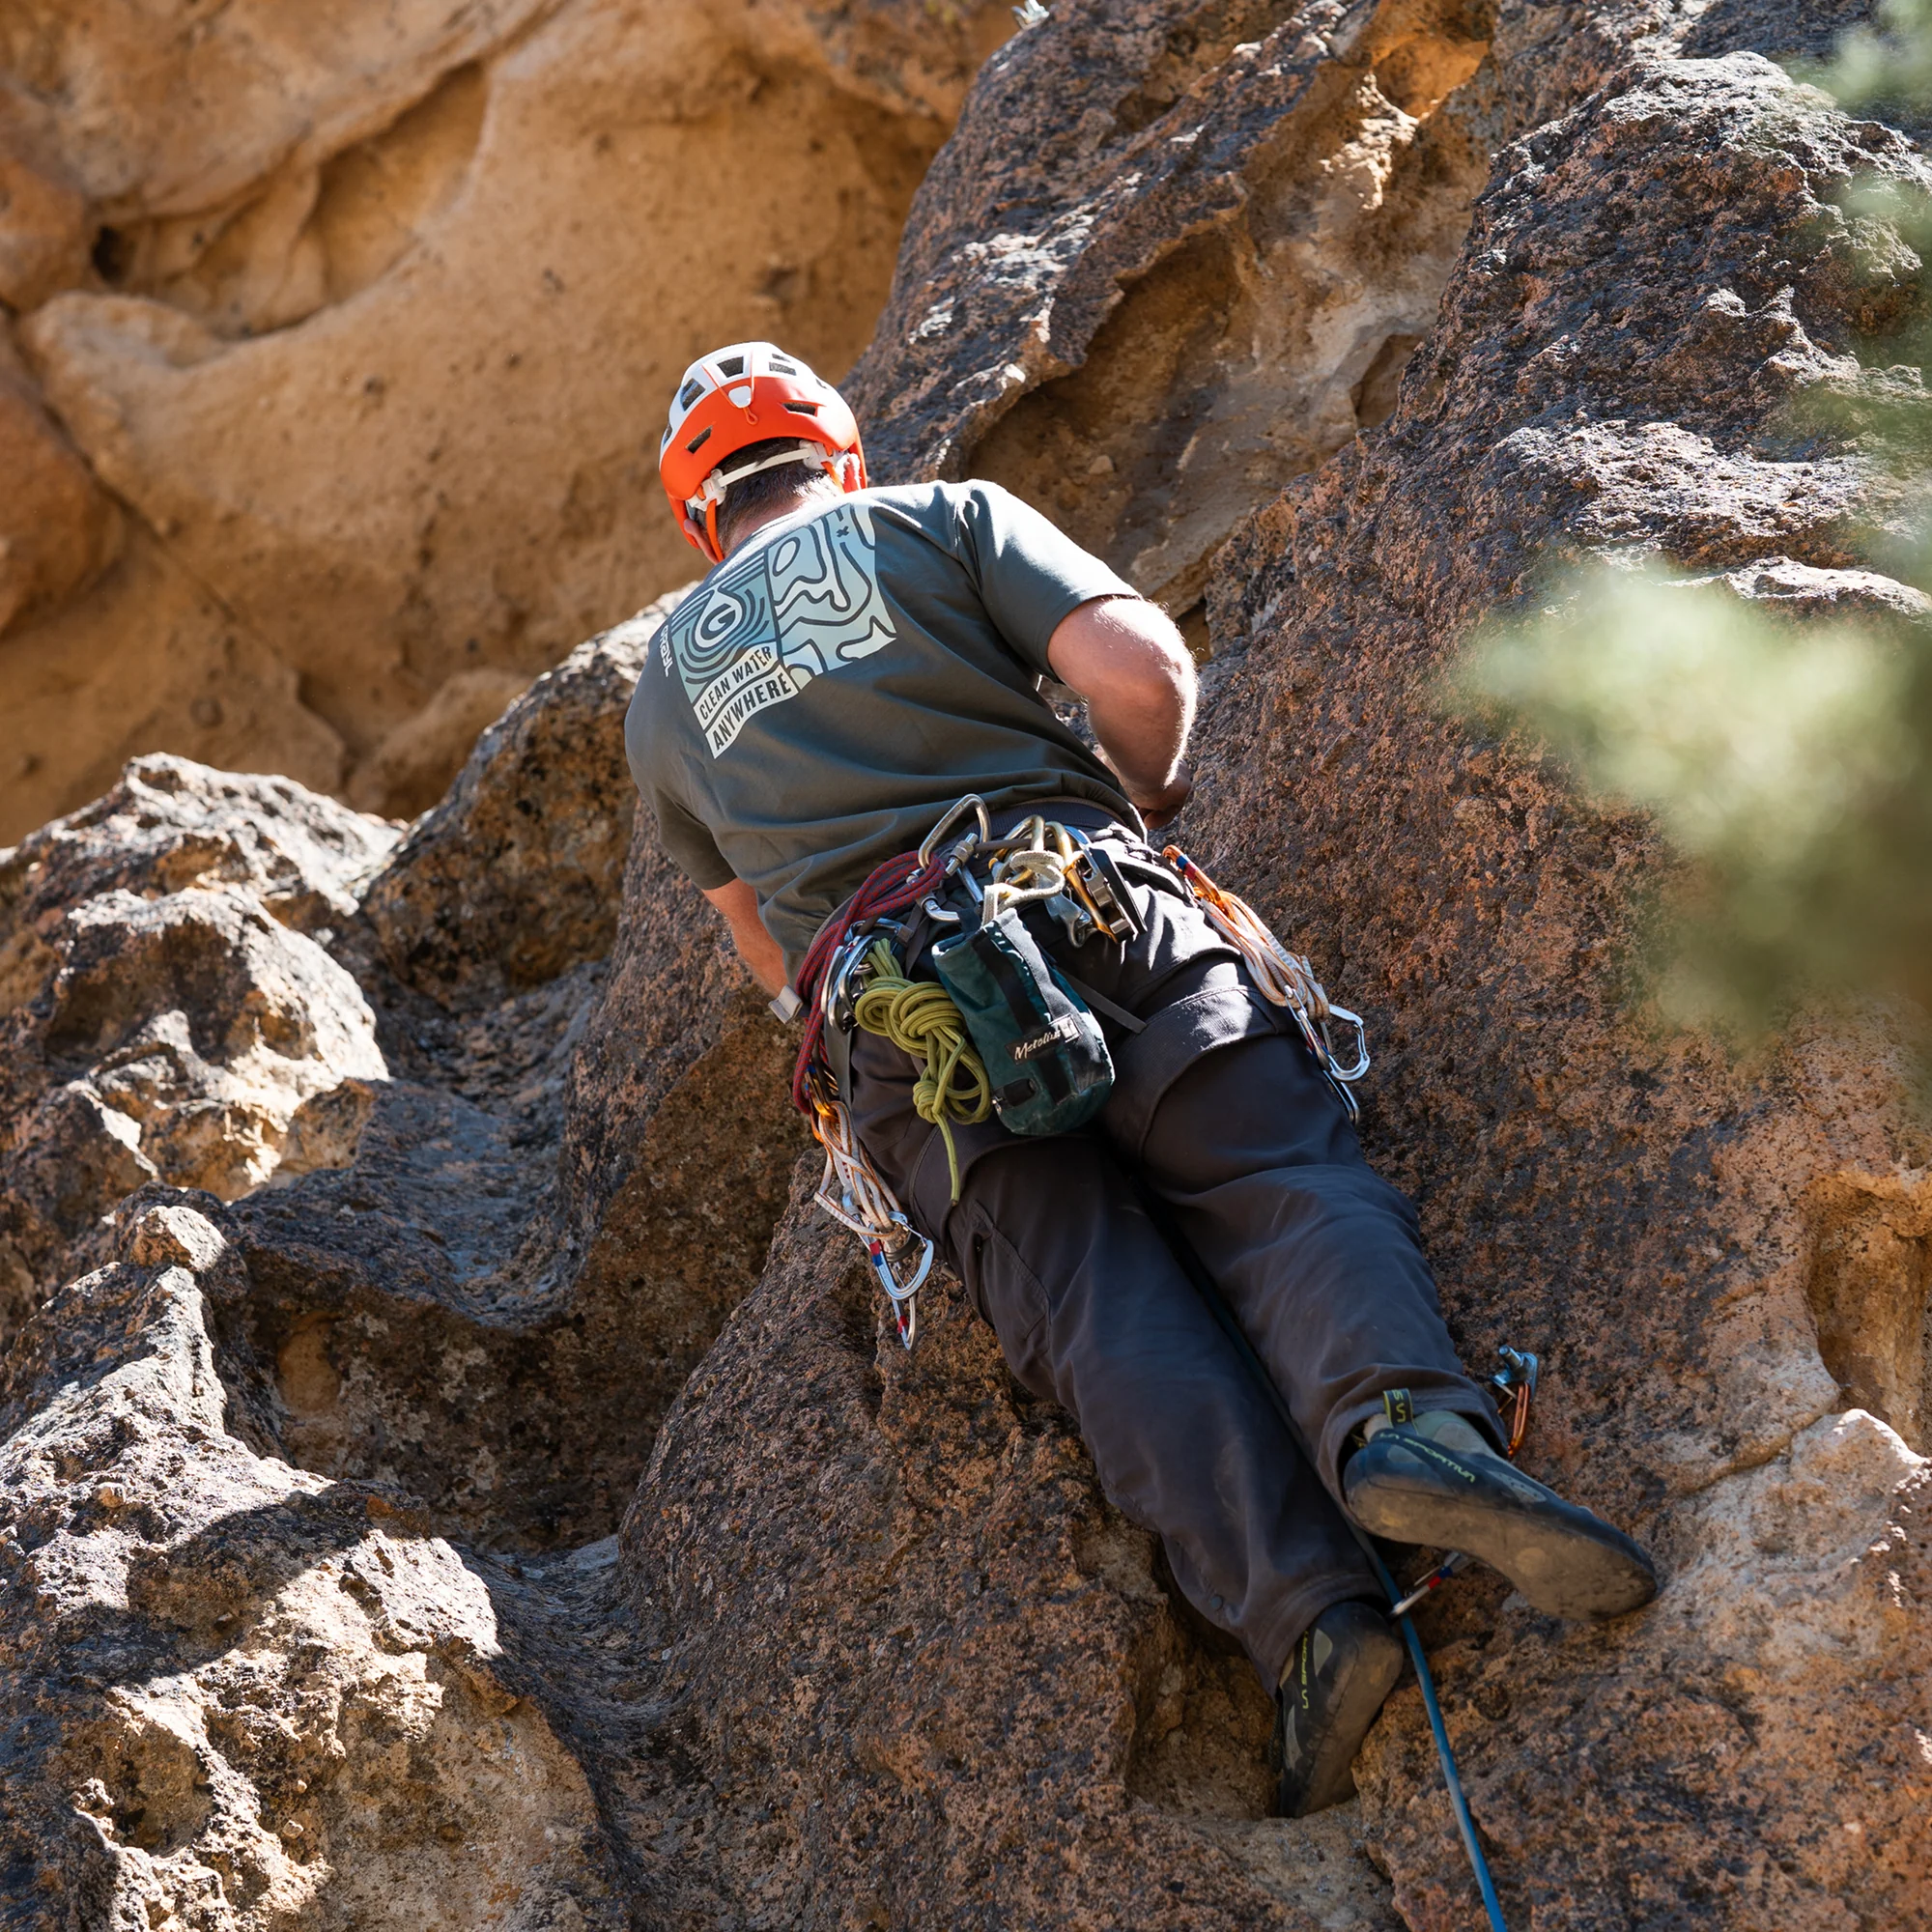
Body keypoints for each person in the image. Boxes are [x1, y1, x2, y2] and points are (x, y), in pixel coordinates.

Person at [625, 342, 1657, 1815]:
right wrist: (1146, 800)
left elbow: (770, 966)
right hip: (1090, 898)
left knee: (1100, 1315)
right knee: (1276, 1176)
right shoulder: (936, 519)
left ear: (700, 518)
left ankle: (1310, 1629)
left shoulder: (664, 694)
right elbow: (1138, 668)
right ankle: (1407, 1432)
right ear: (836, 456)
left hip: (905, 1032)